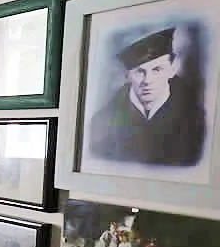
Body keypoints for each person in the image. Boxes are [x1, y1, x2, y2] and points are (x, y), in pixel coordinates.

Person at [87, 27, 206, 167]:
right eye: (140, 72)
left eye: (157, 69)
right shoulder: (102, 121)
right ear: (127, 75)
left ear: (172, 69)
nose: (147, 80)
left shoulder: (195, 120)